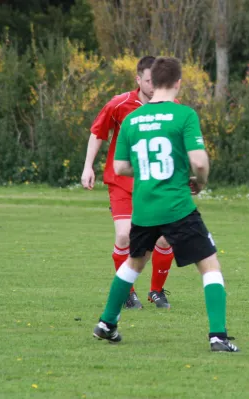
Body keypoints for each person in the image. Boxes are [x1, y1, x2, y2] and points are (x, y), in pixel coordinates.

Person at [92, 56, 239, 352]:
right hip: (177, 206)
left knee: (134, 263)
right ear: (177, 82)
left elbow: (120, 167)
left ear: (152, 81)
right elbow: (198, 161)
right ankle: (218, 337)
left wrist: (147, 169)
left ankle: (107, 324)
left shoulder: (133, 119)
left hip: (144, 206)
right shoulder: (183, 115)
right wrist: (200, 180)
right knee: (209, 265)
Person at [81, 56, 174, 309]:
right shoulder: (119, 104)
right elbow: (97, 133)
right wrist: (88, 166)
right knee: (124, 236)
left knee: (165, 240)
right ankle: (127, 292)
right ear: (138, 80)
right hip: (121, 181)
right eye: (148, 81)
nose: (154, 86)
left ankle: (156, 292)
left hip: (155, 184)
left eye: (158, 80)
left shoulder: (171, 106)